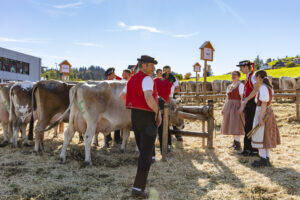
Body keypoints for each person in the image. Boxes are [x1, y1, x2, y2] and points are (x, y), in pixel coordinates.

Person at [122, 55, 161, 198]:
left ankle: (141, 180)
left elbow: (122, 96)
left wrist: (134, 103)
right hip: (147, 117)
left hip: (135, 117)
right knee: (147, 153)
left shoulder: (131, 79)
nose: (154, 68)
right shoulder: (147, 79)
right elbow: (148, 97)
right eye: (151, 65)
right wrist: (158, 112)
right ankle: (138, 188)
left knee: (143, 151)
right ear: (143, 66)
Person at [251, 70, 280, 167]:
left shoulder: (263, 88)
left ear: (259, 76)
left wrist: (260, 118)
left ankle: (263, 159)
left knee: (260, 135)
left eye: (255, 77)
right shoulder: (268, 87)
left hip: (263, 112)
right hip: (267, 111)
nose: (255, 79)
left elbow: (264, 103)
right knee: (265, 135)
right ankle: (266, 158)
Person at [237, 60, 259, 156]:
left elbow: (256, 89)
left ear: (246, 67)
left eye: (241, 67)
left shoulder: (253, 76)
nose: (240, 70)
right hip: (248, 103)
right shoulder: (248, 77)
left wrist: (246, 100)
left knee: (250, 126)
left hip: (252, 103)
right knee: (248, 126)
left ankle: (251, 150)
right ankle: (248, 149)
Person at [153, 72, 176, 161]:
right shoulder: (170, 86)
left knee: (152, 129)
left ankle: (152, 154)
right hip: (163, 108)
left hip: (151, 107)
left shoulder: (154, 80)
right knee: (163, 129)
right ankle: (165, 149)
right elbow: (169, 99)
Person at [221, 71, 245, 150]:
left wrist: (242, 107)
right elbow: (227, 98)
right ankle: (235, 142)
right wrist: (224, 108)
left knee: (236, 125)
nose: (233, 76)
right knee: (231, 124)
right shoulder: (230, 86)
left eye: (235, 75)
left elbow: (242, 97)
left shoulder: (240, 85)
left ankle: (238, 144)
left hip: (236, 106)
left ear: (239, 76)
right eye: (232, 75)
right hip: (229, 106)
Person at [162, 65, 183, 141]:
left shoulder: (175, 79)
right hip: (162, 98)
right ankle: (165, 135)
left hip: (171, 97)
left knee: (174, 115)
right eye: (165, 71)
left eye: (168, 71)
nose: (166, 72)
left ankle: (178, 135)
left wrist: (168, 91)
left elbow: (177, 90)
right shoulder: (160, 79)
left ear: (170, 71)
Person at [105, 67, 122, 144]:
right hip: (109, 103)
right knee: (108, 121)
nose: (108, 77)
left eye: (110, 75)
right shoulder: (107, 81)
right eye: (108, 76)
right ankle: (108, 137)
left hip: (118, 103)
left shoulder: (120, 80)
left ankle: (117, 138)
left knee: (117, 121)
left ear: (113, 74)